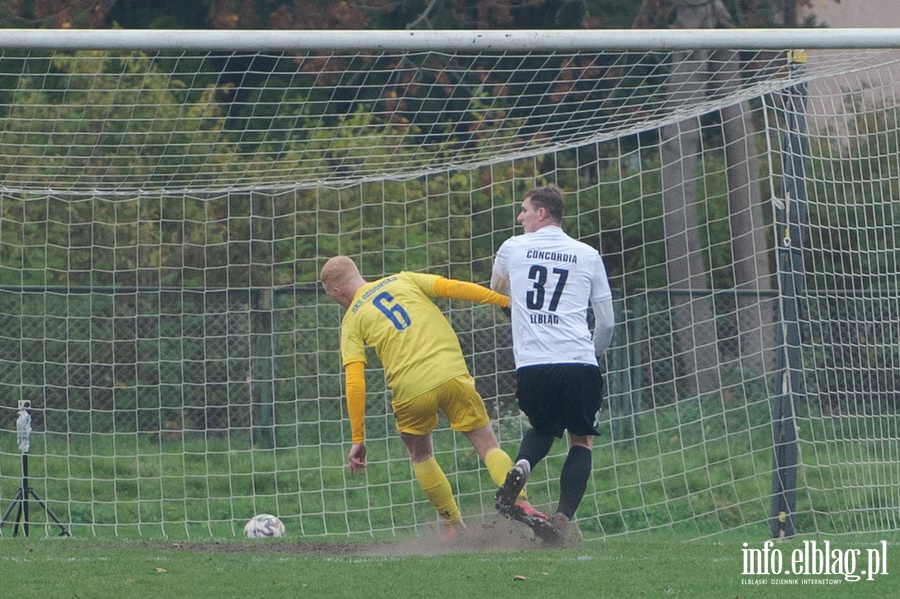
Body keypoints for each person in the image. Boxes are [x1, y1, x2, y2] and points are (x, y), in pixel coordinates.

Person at [320, 255, 548, 537]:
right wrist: (503, 301)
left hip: (410, 387)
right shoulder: (404, 278)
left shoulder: (352, 318)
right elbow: (452, 287)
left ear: (338, 292)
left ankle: (454, 526)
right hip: (452, 372)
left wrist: (358, 438)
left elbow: (355, 381)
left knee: (420, 453)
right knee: (487, 444)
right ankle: (522, 501)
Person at [490, 185, 615, 544]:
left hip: (533, 364)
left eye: (524, 210)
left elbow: (498, 292)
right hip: (578, 361)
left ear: (541, 213)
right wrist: (591, 357)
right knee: (582, 438)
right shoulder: (587, 254)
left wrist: (524, 315)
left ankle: (521, 467)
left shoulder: (512, 247)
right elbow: (606, 322)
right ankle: (561, 519)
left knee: (543, 428)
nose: (520, 217)